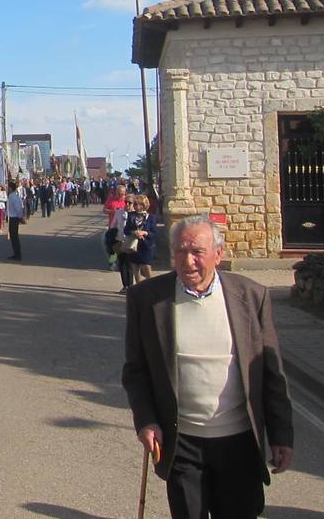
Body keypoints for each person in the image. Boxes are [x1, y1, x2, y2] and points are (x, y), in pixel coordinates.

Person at [122, 216, 294, 519]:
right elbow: (136, 371)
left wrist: (281, 435)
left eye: (197, 252)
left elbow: (271, 372)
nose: (187, 262)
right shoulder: (147, 299)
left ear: (219, 253)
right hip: (183, 442)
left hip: (239, 442)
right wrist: (146, 420)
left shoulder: (251, 296)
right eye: (179, 251)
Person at [118, 194, 158, 292]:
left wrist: (145, 232)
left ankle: (152, 289)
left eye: (138, 204)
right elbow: (126, 230)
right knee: (135, 269)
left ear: (144, 205)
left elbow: (154, 233)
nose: (136, 206)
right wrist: (133, 232)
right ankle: (139, 291)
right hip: (134, 245)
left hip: (146, 246)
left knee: (147, 268)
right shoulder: (131, 215)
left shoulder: (151, 217)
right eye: (135, 204)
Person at [5, 180, 25, 261]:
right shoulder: (10, 196)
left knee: (14, 237)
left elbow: (19, 208)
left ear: (10, 188)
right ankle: (15, 253)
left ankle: (18, 254)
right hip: (11, 218)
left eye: (8, 187)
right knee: (13, 237)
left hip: (14, 218)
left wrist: (20, 217)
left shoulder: (13, 197)